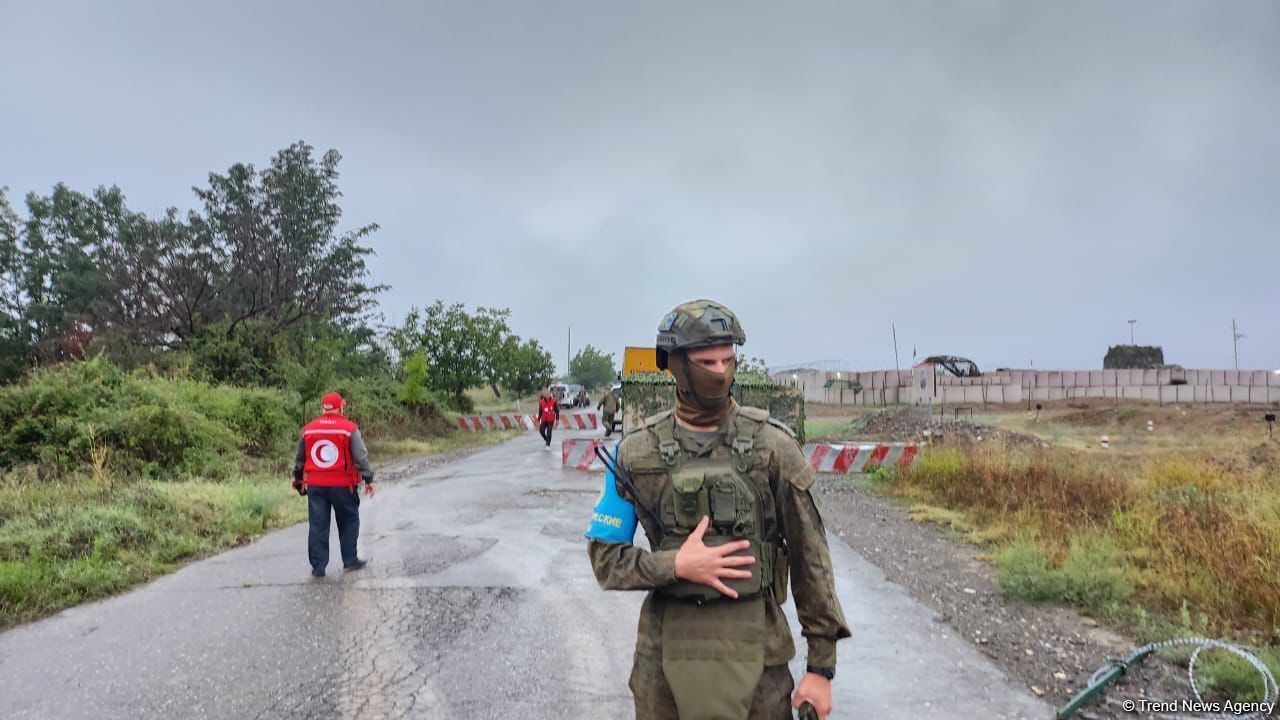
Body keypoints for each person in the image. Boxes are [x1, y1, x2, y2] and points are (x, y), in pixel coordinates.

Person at [586, 300, 850, 720]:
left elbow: (810, 558)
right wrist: (675, 565)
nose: (721, 371)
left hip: (758, 657)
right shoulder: (634, 453)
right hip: (665, 661)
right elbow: (605, 559)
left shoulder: (773, 447)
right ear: (675, 364)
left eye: (728, 359)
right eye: (707, 360)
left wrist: (821, 666)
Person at [292, 392, 376, 577]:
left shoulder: (308, 429)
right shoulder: (349, 428)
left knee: (318, 524)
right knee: (348, 520)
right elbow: (360, 456)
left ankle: (318, 566)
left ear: (322, 408)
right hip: (343, 484)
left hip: (316, 485)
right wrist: (368, 479)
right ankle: (350, 560)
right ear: (341, 407)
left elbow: (300, 458)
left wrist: (298, 479)